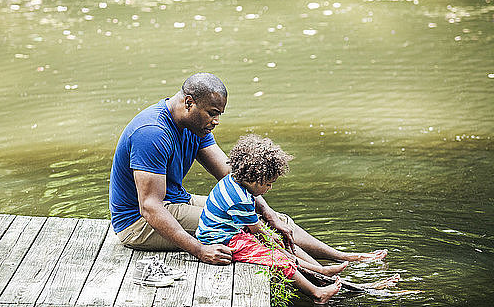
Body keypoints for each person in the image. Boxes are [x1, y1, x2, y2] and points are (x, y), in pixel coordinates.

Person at [109, 73, 387, 265]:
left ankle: (342, 258)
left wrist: (268, 212)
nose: (216, 121)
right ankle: (323, 281)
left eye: (219, 114)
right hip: (138, 223)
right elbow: (150, 207)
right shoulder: (152, 133)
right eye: (212, 113)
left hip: (175, 203)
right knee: (250, 229)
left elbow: (235, 176)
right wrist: (200, 250)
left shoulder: (196, 125)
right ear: (189, 102)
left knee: (271, 219)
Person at [197, 134, 345, 303]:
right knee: (277, 259)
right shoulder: (240, 199)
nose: (270, 188)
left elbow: (253, 224)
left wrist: (273, 239)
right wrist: (271, 239)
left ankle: (321, 271)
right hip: (221, 241)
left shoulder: (233, 181)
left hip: (225, 232)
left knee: (278, 247)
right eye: (268, 183)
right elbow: (257, 229)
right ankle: (316, 293)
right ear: (254, 179)